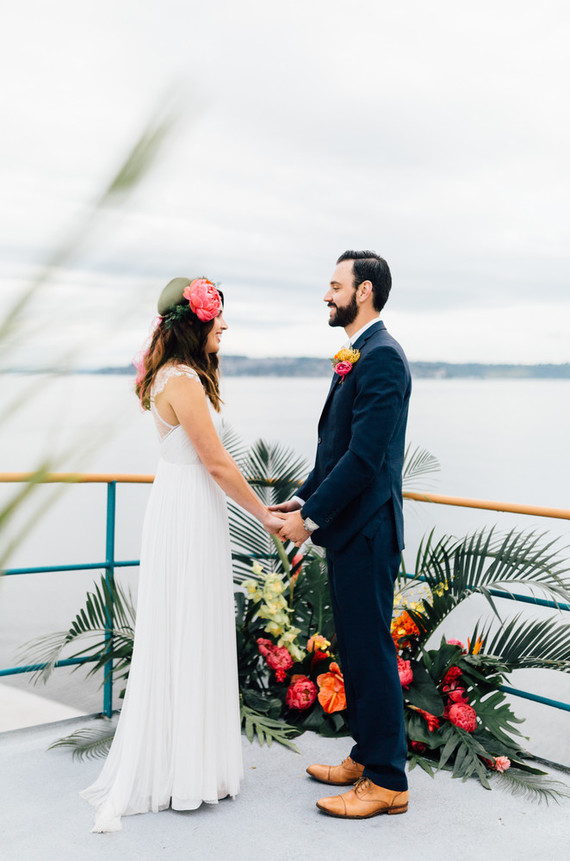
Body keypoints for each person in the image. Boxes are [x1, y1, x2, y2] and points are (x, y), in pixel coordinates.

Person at [81, 277, 283, 832]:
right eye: (217, 318)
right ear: (195, 322)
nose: (223, 326)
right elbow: (217, 465)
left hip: (184, 507)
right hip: (189, 511)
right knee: (188, 626)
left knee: (186, 628)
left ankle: (189, 764)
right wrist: (265, 515)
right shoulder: (185, 381)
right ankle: (185, 771)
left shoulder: (169, 375)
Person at [273, 251, 411, 819]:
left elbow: (364, 460)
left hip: (370, 530)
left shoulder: (382, 358)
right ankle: (367, 753)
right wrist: (303, 498)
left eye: (335, 285)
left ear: (365, 291)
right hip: (350, 527)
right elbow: (333, 453)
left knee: (372, 650)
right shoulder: (357, 355)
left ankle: (387, 781)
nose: (326, 295)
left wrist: (307, 523)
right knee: (354, 646)